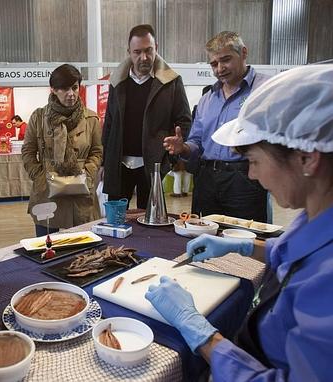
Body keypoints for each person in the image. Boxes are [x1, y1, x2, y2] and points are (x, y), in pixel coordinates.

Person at [146, 65, 333, 381]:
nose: (252, 175)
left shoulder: (326, 286)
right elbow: (292, 253)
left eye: (255, 161)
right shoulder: (315, 213)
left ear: (307, 158)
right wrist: (244, 246)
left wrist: (200, 332)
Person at [163, 31, 270, 222]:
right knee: (203, 238)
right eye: (214, 64)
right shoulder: (207, 99)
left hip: (246, 180)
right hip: (206, 181)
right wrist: (184, 148)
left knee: (244, 239)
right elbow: (197, 142)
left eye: (225, 60)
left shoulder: (265, 90)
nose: (220, 68)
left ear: (244, 53)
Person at [102, 24, 191, 209]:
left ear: (156, 48)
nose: (144, 57)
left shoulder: (171, 82)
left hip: (153, 167)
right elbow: (109, 123)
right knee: (115, 222)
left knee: (152, 226)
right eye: (137, 52)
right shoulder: (117, 83)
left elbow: (184, 121)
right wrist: (104, 162)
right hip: (119, 166)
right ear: (129, 52)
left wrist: (170, 159)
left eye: (148, 50)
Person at [22, 64, 102, 237]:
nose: (71, 94)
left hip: (81, 193)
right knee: (46, 248)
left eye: (74, 87)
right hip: (47, 194)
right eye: (64, 89)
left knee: (84, 248)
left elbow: (97, 151)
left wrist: (87, 173)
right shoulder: (39, 117)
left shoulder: (91, 119)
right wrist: (39, 176)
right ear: (53, 90)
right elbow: (28, 151)